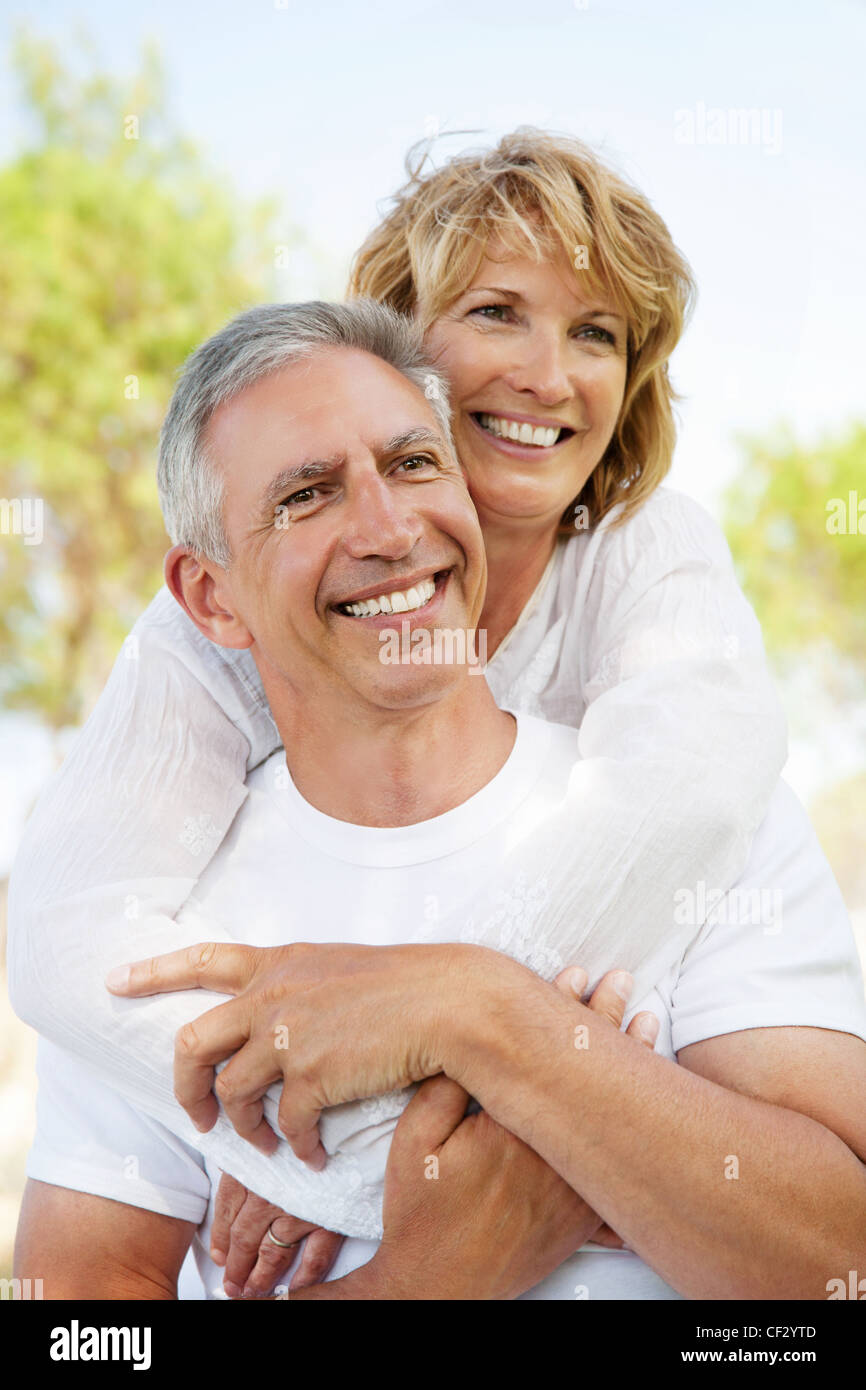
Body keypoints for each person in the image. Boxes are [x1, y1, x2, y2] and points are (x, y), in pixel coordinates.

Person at [10, 131, 785, 1243]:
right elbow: (61, 935)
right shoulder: (221, 617)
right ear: (394, 341)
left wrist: (398, 1068)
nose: (546, 374)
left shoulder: (647, 552)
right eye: (495, 312)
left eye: (596, 334)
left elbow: (685, 808)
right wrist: (279, 1129)